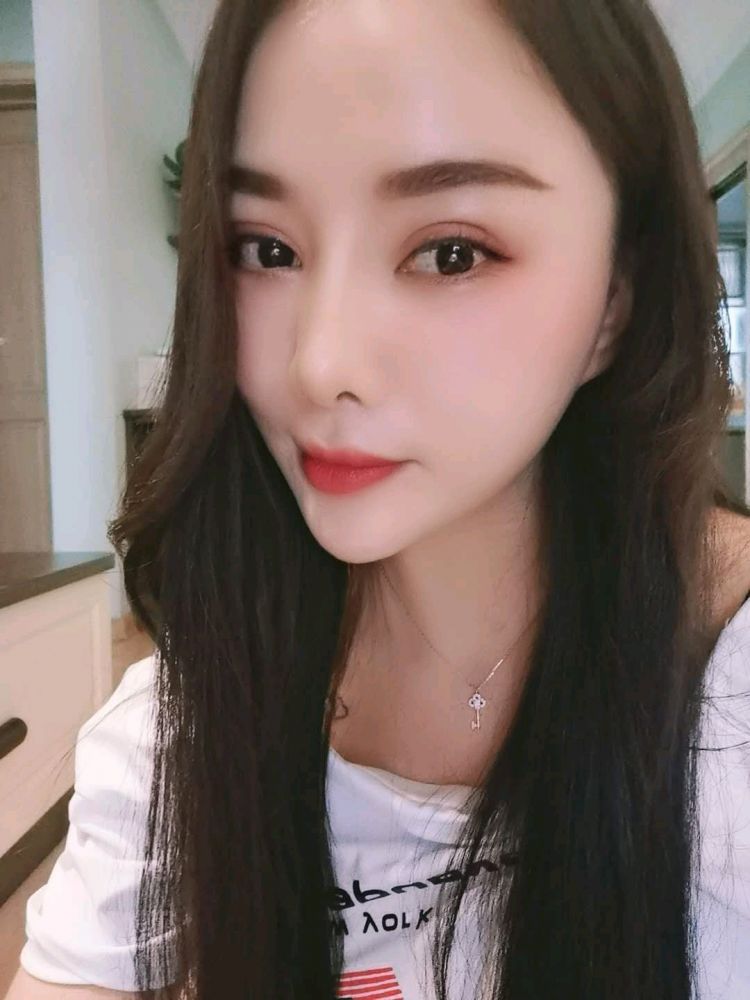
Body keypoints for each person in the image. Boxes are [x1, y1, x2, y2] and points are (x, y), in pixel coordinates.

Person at [6, 0, 750, 998]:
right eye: (267, 250)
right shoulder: (192, 723)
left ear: (616, 301)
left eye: (451, 251)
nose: (320, 366)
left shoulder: (728, 700)